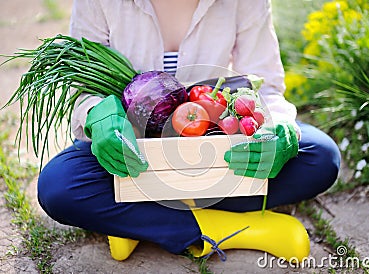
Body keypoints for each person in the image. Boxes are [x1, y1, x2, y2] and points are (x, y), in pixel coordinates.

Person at [37, 0, 341, 262]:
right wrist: (96, 114)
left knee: (320, 157)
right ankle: (241, 229)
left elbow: (266, 85)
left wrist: (278, 127)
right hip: (136, 153)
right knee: (59, 187)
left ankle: (136, 219)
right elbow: (83, 90)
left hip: (213, 144)